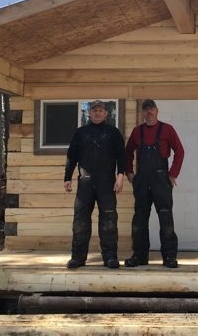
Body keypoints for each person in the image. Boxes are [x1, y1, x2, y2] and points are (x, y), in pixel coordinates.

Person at [64, 100, 126, 269]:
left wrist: (120, 177)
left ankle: (110, 257)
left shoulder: (113, 133)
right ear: (89, 113)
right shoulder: (81, 133)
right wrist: (67, 178)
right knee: (80, 221)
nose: (97, 113)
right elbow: (71, 156)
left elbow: (122, 156)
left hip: (107, 183)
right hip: (85, 183)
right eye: (94, 110)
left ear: (106, 113)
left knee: (109, 221)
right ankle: (77, 257)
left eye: (100, 110)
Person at [124, 99, 184, 269]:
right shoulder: (137, 132)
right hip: (142, 180)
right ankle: (140, 255)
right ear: (142, 113)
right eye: (145, 110)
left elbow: (179, 151)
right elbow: (128, 152)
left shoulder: (167, 129)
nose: (148, 112)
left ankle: (169, 256)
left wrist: (172, 175)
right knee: (140, 218)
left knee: (165, 218)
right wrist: (129, 172)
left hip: (161, 179)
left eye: (151, 109)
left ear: (157, 111)